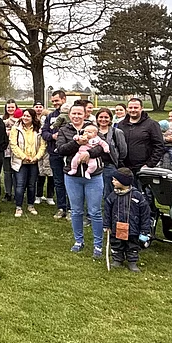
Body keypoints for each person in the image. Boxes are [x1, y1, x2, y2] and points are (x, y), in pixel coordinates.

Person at [57, 106, 106, 257]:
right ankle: (79, 240)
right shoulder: (64, 130)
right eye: (74, 113)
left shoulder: (92, 128)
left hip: (94, 177)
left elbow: (102, 147)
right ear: (69, 115)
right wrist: (77, 144)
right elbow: (61, 149)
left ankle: (98, 244)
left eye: (80, 113)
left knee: (95, 211)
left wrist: (88, 153)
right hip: (72, 178)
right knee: (76, 211)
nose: (76, 116)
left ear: (85, 115)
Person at [103, 168, 151, 272]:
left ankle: (132, 262)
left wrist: (145, 230)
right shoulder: (112, 197)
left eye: (115, 180)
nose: (112, 181)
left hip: (132, 229)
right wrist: (107, 225)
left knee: (132, 245)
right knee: (117, 244)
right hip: (117, 227)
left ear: (124, 181)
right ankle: (117, 259)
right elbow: (107, 212)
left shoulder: (138, 197)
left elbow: (145, 214)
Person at [116, 98, 164, 179]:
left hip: (143, 168)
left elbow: (159, 146)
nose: (133, 110)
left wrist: (150, 164)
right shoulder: (121, 125)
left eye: (136, 108)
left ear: (141, 108)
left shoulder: (151, 124)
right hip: (124, 168)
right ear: (127, 109)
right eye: (130, 108)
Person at [10, 108, 45, 217]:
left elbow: (43, 145)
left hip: (34, 161)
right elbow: (13, 145)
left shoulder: (39, 129)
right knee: (20, 185)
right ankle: (18, 207)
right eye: (24, 115)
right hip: (20, 162)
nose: (25, 118)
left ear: (33, 118)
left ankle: (31, 205)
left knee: (31, 185)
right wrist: (23, 157)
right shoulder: (16, 128)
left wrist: (36, 157)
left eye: (28, 116)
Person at [41, 90, 70, 218]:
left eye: (57, 100)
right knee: (58, 181)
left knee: (71, 182)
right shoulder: (50, 116)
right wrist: (52, 136)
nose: (54, 103)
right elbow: (44, 132)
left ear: (64, 99)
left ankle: (71, 209)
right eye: (53, 101)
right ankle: (61, 207)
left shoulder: (72, 113)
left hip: (70, 153)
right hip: (54, 153)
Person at [96, 107, 128, 200]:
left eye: (106, 117)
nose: (103, 119)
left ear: (110, 118)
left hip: (109, 166)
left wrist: (118, 161)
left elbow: (123, 150)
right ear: (97, 118)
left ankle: (108, 211)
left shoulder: (116, 132)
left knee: (108, 192)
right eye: (101, 117)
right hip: (94, 166)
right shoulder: (92, 132)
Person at [1, 100, 18, 202]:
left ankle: (17, 192)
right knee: (7, 172)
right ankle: (8, 193)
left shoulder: (20, 120)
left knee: (16, 171)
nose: (10, 109)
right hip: (5, 149)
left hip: (16, 150)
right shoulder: (2, 119)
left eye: (12, 107)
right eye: (9, 107)